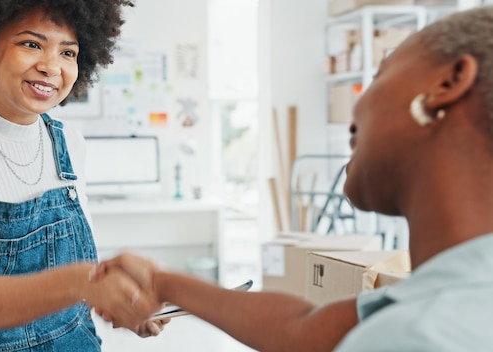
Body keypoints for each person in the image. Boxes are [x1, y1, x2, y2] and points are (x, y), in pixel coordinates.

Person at [94, 6, 493, 351]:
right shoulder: (455, 295)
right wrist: (162, 283)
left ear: (448, 83)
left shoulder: (420, 335)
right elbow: (300, 329)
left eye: (379, 75)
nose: (356, 107)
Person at [0, 1, 167, 351]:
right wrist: (88, 283)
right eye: (31, 44)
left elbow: (77, 282)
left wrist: (124, 303)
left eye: (68, 52)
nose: (51, 66)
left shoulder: (70, 143)